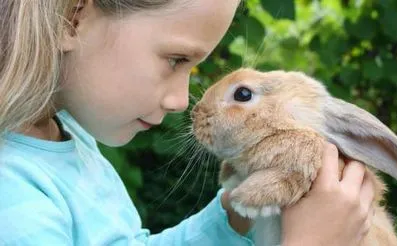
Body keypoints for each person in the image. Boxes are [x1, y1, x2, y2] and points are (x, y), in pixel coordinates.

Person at [0, 0, 375, 245]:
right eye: (176, 60)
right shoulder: (13, 198)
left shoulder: (69, 137)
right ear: (74, 17)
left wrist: (233, 217)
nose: (181, 101)